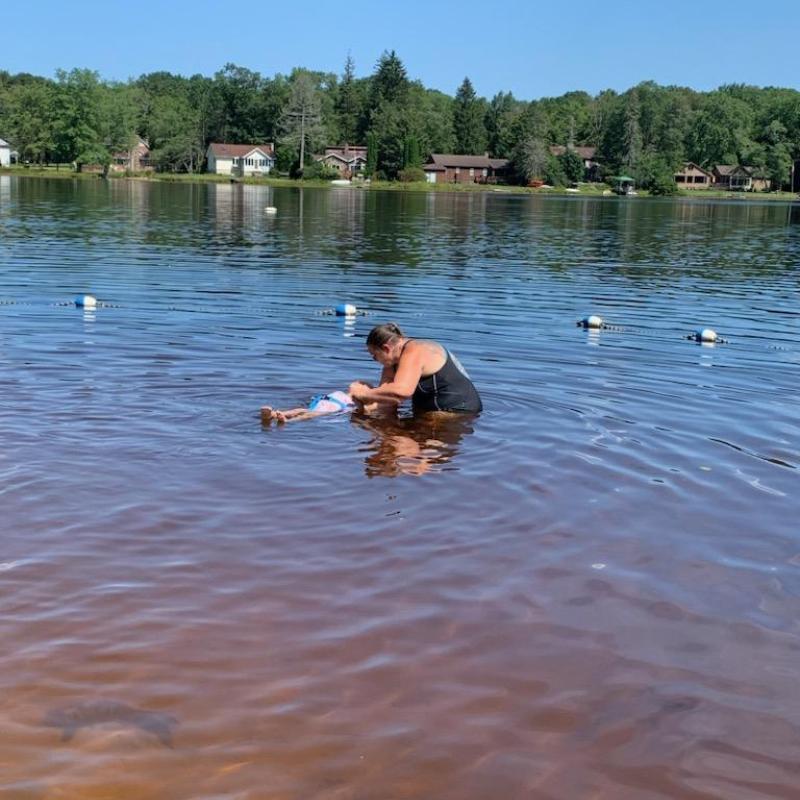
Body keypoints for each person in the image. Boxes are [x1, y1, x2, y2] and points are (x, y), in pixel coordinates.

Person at [349, 323, 482, 414]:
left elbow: (403, 390)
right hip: (429, 413)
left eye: (375, 356)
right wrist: (359, 406)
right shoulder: (391, 362)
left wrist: (364, 394)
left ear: (386, 348)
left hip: (457, 412)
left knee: (408, 449)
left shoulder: (415, 350)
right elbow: (390, 400)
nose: (375, 360)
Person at [261, 390, 373, 424]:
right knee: (301, 411)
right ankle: (273, 414)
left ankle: (286, 420)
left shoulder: (354, 404)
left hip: (325, 410)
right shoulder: (344, 395)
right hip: (320, 405)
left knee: (307, 413)